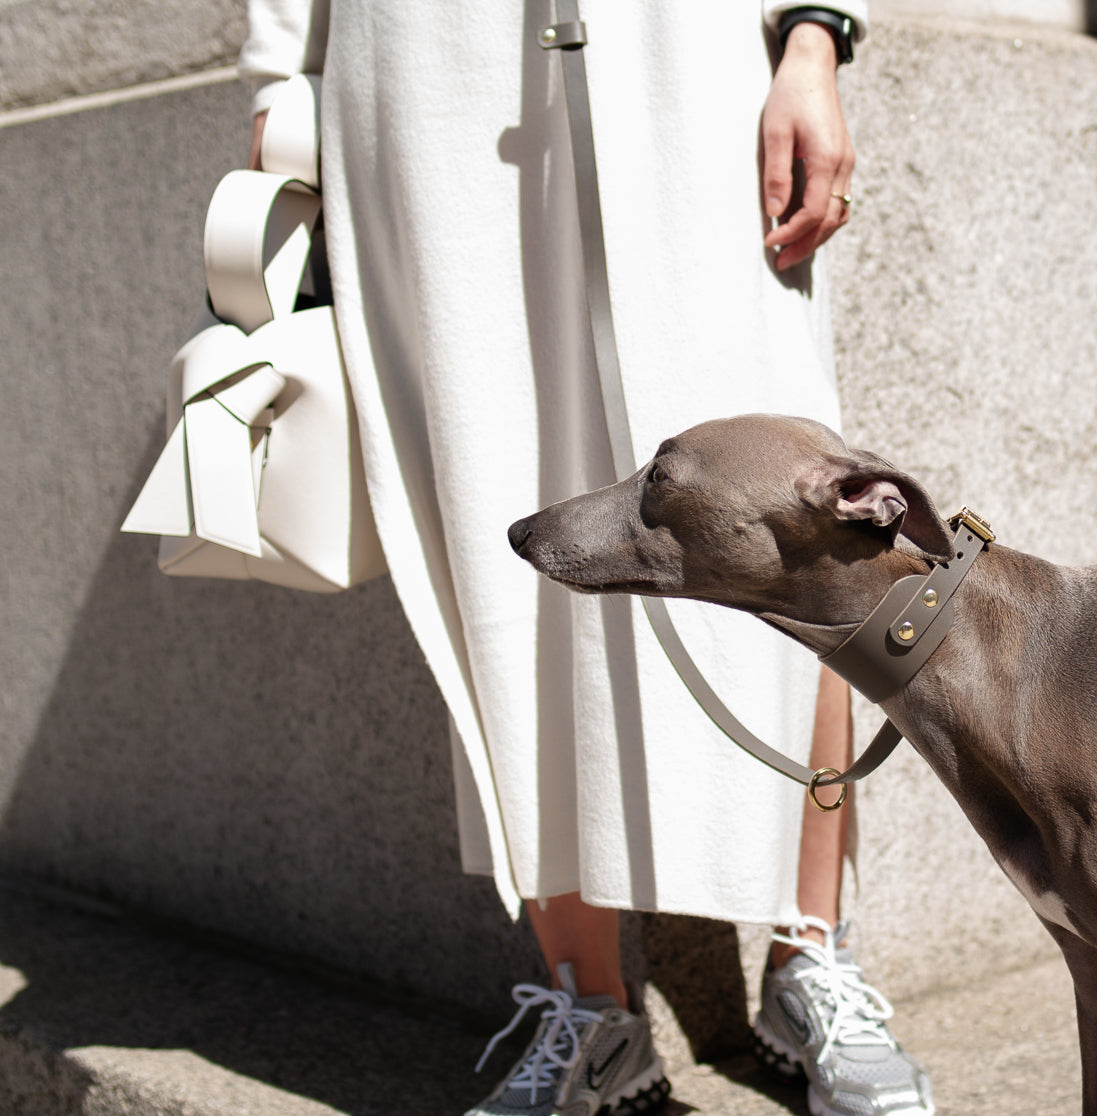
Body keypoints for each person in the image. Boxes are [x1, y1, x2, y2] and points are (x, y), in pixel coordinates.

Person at [237, 2, 935, 1115]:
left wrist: (814, 35)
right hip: (424, 69)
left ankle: (813, 959)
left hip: (682, 43)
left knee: (786, 501)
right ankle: (590, 1011)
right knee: (490, 494)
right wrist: (282, 82)